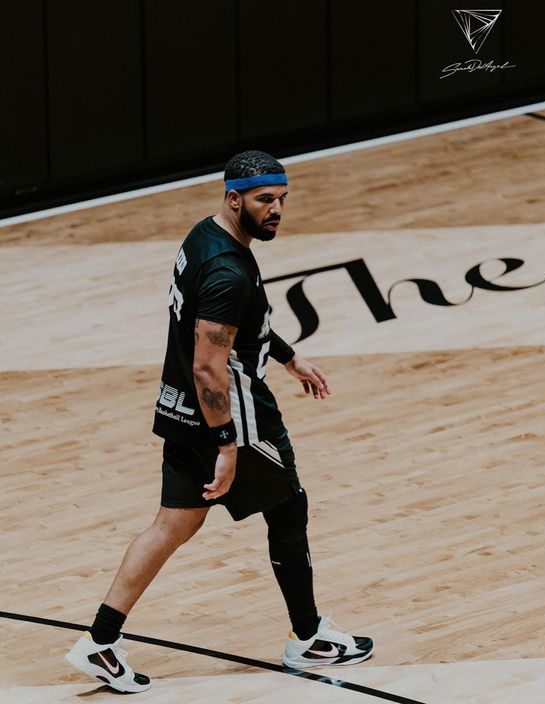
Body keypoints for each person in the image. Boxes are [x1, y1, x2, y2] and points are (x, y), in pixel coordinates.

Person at [64, 150, 373, 693]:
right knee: (288, 507)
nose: (276, 210)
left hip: (180, 410)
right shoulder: (229, 270)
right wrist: (228, 446)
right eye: (264, 200)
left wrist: (287, 356)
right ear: (234, 199)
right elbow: (210, 366)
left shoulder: (204, 235)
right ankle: (308, 638)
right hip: (232, 416)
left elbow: (233, 326)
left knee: (171, 525)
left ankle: (100, 641)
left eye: (282, 199)